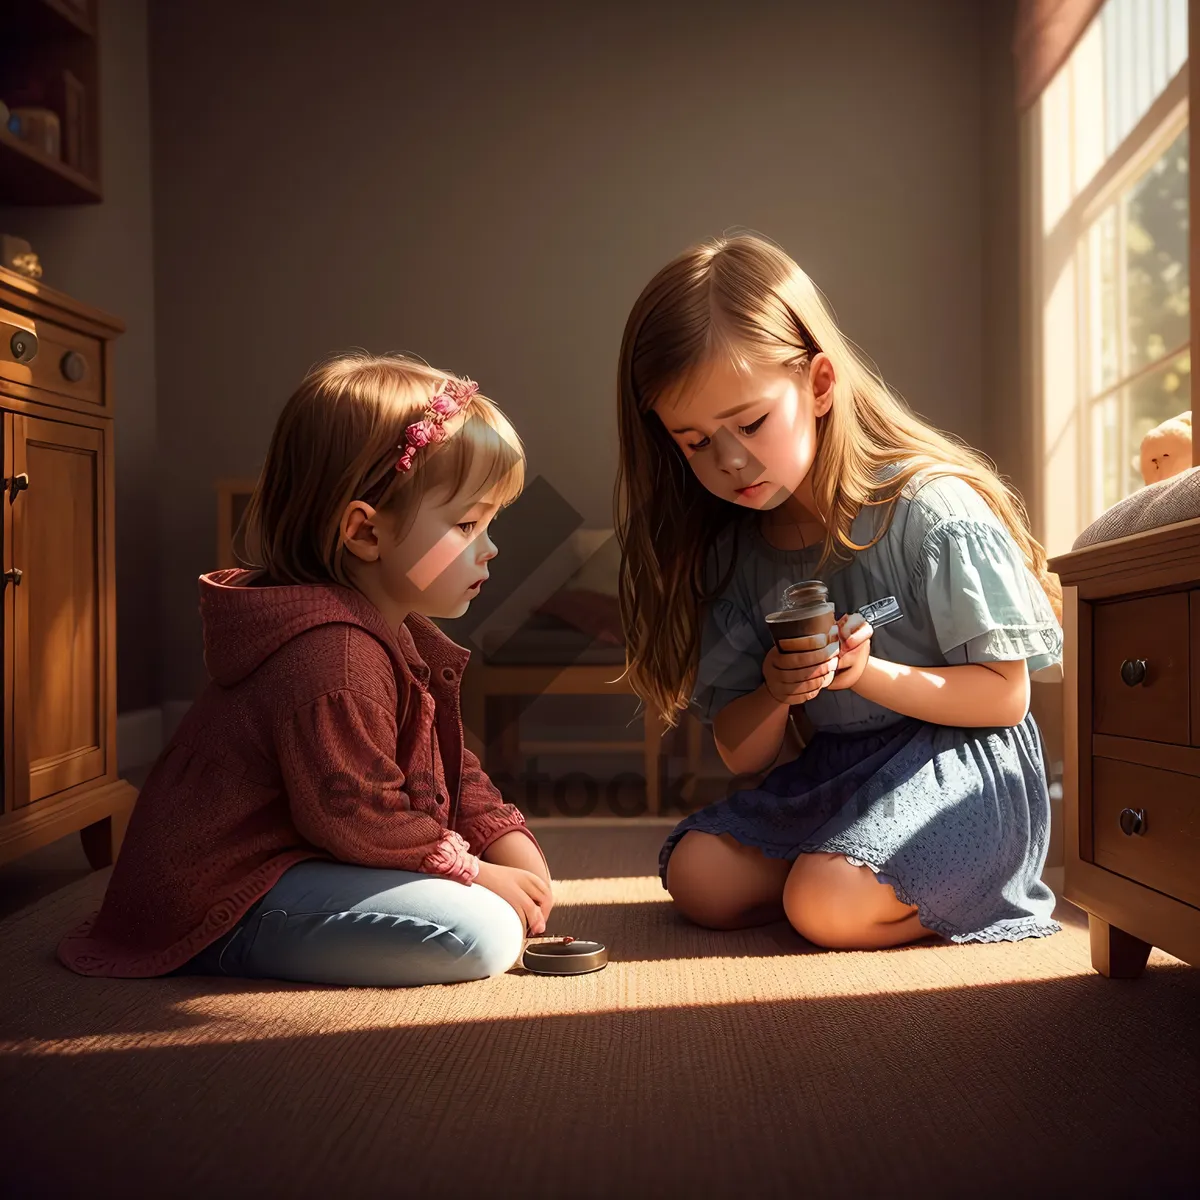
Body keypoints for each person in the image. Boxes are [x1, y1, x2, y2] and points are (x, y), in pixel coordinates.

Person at [615, 233, 1063, 950]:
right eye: (695, 441)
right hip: (835, 771)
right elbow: (742, 752)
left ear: (820, 384)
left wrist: (869, 674)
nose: (729, 461)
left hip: (961, 764)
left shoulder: (930, 511)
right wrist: (776, 691)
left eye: (751, 423)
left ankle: (960, 887)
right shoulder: (736, 556)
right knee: (699, 876)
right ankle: (843, 868)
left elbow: (1004, 697)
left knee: (822, 904)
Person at [59, 352, 553, 985]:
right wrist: (477, 872)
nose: (490, 547)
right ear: (365, 534)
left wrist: (499, 838)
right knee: (479, 931)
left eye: (489, 523)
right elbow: (358, 815)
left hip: (300, 859)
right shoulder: (334, 656)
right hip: (228, 895)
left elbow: (447, 768)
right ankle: (224, 948)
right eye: (466, 524)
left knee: (494, 900)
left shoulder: (394, 631)